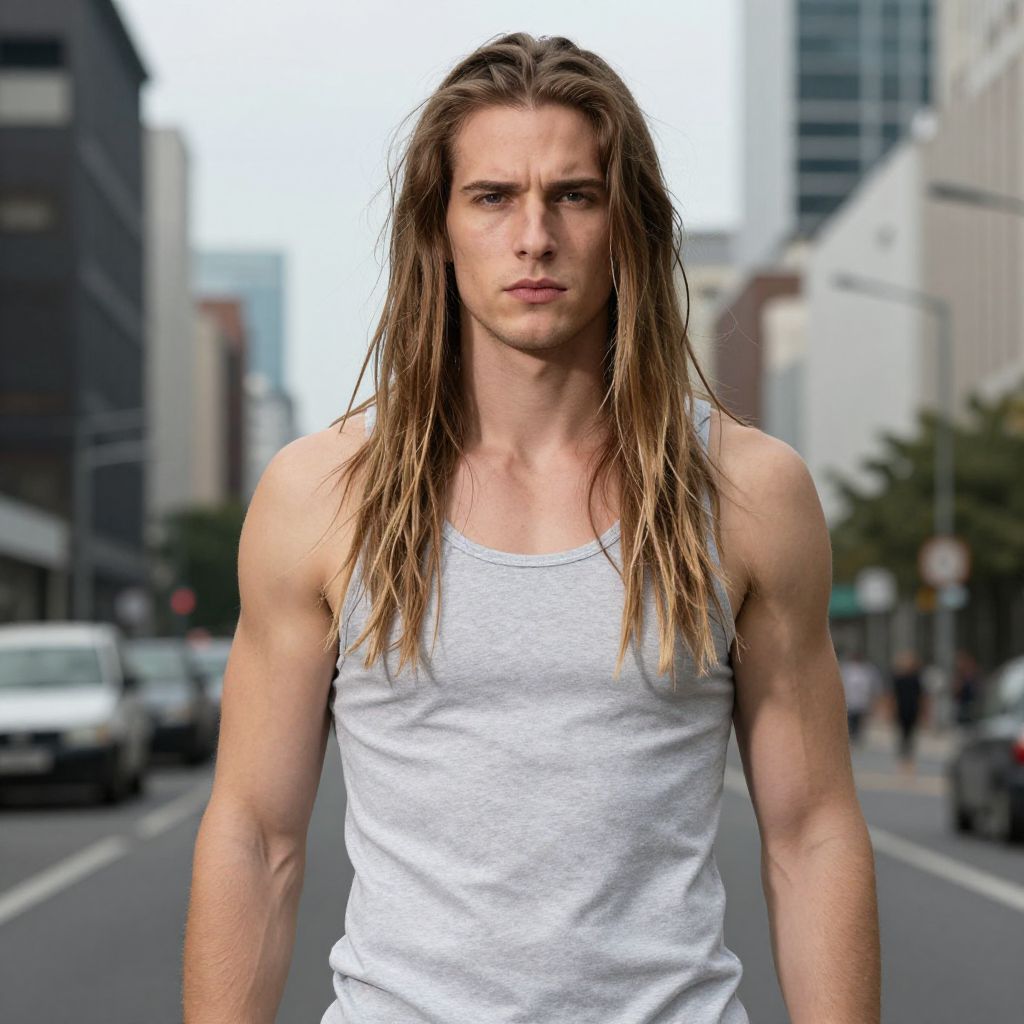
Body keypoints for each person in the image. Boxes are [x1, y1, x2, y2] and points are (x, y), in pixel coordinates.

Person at [182, 33, 880, 1024]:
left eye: (574, 195)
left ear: (624, 225)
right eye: (493, 196)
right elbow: (255, 836)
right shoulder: (321, 492)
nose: (534, 235)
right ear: (439, 227)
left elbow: (809, 835)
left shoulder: (749, 491)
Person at [889, 649, 925, 776]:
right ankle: (902, 760)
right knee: (902, 735)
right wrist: (891, 711)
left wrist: (923, 713)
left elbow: (921, 697)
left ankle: (909, 760)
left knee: (911, 736)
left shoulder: (916, 679)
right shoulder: (898, 679)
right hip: (901, 710)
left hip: (913, 710)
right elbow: (893, 697)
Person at [838, 648, 884, 746]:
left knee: (859, 720)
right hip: (849, 701)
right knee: (850, 719)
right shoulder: (846, 669)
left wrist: (875, 699)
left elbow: (874, 685)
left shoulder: (868, 670)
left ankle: (857, 736)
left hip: (863, 701)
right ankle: (851, 735)